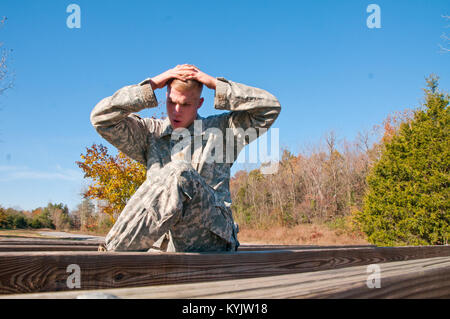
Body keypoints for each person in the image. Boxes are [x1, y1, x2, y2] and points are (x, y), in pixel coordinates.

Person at [90, 64, 281, 252]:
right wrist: (152, 85)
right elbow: (101, 118)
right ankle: (112, 254)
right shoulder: (151, 134)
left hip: (213, 238)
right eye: (172, 102)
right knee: (175, 172)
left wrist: (216, 84)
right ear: (166, 97)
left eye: (185, 104)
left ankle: (109, 254)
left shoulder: (223, 131)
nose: (177, 111)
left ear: (199, 104)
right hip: (162, 244)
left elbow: (270, 107)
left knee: (180, 171)